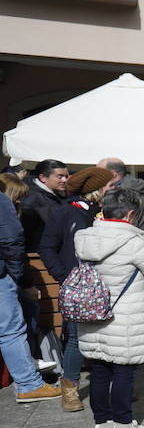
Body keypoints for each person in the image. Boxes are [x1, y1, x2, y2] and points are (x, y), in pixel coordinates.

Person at [73, 187, 144, 428]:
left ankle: (101, 424)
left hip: (94, 313)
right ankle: (124, 425)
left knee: (100, 369)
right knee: (124, 371)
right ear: (130, 215)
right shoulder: (133, 242)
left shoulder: (85, 238)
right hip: (124, 317)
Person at [38, 166, 119, 411]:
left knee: (108, 335)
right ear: (95, 190)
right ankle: (70, 388)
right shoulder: (64, 213)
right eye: (108, 186)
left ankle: (113, 386)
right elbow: (47, 247)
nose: (112, 190)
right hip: (78, 286)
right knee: (76, 338)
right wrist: (64, 277)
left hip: (105, 284)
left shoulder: (102, 212)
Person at [2, 173, 61, 404]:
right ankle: (29, 384)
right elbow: (11, 240)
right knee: (12, 329)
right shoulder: (3, 203)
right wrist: (18, 277)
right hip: (3, 275)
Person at [19, 159, 70, 251]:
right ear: (43, 178)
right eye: (60, 176)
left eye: (66, 176)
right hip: (38, 254)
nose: (64, 180)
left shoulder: (57, 195)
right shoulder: (31, 200)